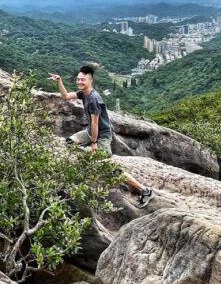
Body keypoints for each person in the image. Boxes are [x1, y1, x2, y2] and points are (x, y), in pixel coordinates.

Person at [49, 65, 154, 207]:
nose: (79, 82)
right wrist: (59, 81)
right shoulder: (84, 93)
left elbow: (94, 123)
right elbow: (66, 96)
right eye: (78, 79)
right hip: (90, 131)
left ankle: (144, 190)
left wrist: (94, 143)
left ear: (90, 81)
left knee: (108, 167)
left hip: (102, 135)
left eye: (83, 80)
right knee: (69, 143)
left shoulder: (93, 98)